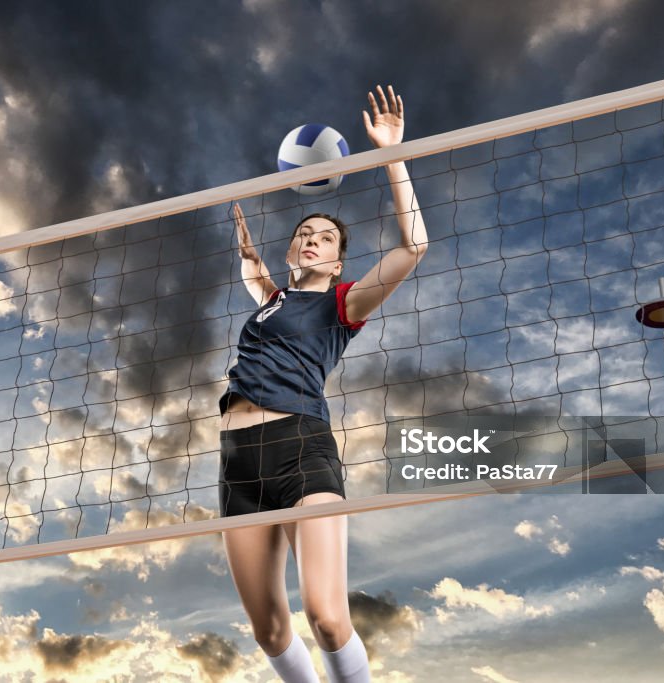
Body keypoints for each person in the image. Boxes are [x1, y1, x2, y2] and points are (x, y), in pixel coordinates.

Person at [220, 85, 427, 683]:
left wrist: (391, 153)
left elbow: (414, 247)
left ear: (337, 262)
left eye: (326, 236)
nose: (311, 237)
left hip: (300, 449)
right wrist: (248, 256)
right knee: (269, 630)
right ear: (292, 252)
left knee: (327, 618)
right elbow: (256, 278)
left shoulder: (342, 303)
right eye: (304, 232)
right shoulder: (272, 300)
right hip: (237, 462)